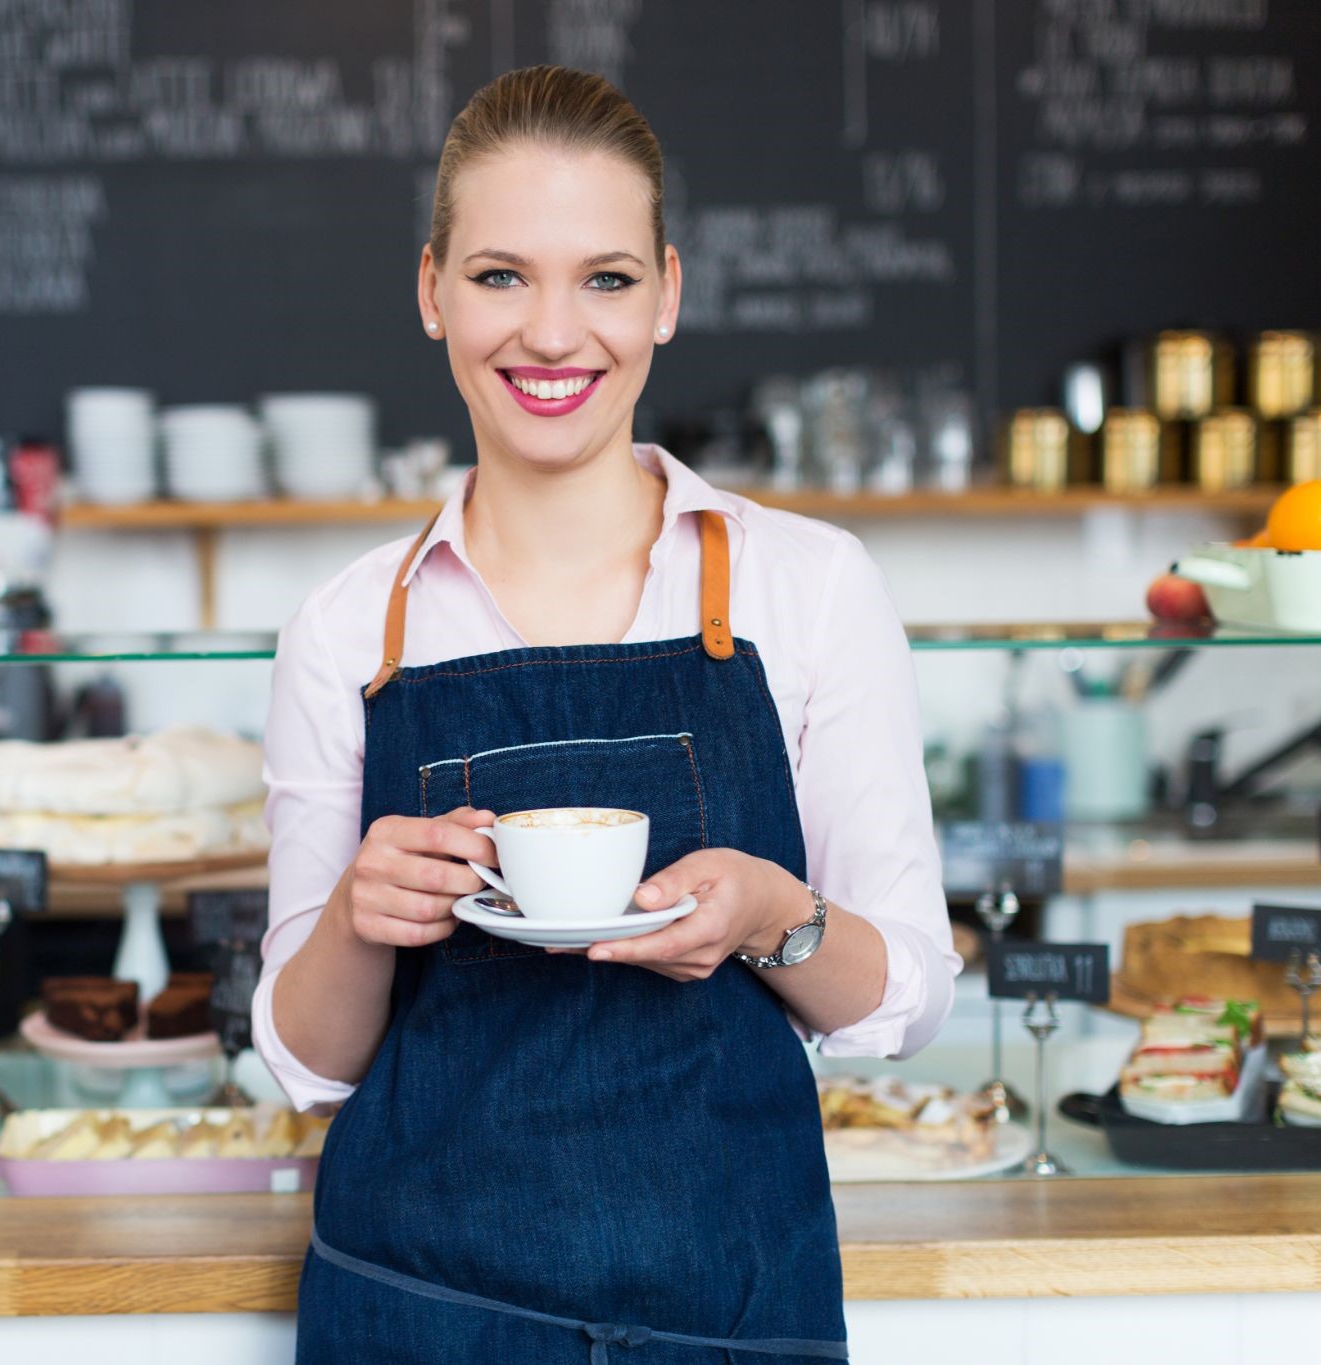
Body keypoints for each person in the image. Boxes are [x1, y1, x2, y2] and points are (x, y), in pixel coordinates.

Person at [253, 66, 959, 1363]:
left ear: (669, 295)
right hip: (419, 1311)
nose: (554, 333)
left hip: (730, 1304)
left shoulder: (807, 587)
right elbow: (309, 1061)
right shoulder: (352, 629)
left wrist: (772, 914)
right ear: (431, 292)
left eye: (609, 278)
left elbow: (905, 997)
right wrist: (363, 914)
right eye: (501, 275)